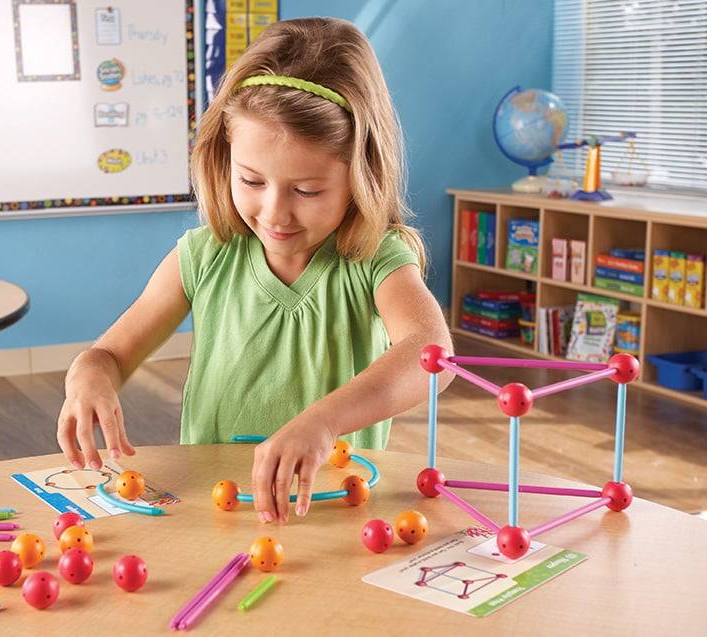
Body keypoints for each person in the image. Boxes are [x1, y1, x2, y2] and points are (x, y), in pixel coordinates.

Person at [57, 17, 453, 525]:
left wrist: (324, 422)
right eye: (251, 180)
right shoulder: (204, 255)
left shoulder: (376, 258)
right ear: (224, 161)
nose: (274, 212)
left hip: (329, 510)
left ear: (361, 175)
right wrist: (88, 375)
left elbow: (429, 354)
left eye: (307, 191)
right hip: (213, 507)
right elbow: (110, 353)